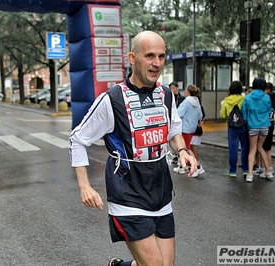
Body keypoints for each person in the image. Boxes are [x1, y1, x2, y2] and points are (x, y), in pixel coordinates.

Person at [69, 31, 198, 266]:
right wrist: (85, 187)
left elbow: (173, 132)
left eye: (161, 56)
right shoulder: (112, 100)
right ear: (132, 57)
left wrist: (182, 151)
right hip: (127, 193)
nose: (156, 63)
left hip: (160, 191)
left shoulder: (166, 96)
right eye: (149, 56)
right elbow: (77, 139)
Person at [242, 78, 272, 182]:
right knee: (261, 147)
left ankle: (250, 174)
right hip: (264, 125)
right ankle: (268, 171)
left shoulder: (248, 97)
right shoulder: (267, 98)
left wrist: (247, 121)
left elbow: (244, 112)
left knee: (252, 149)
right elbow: (269, 111)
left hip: (252, 125)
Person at [219, 81, 249, 178]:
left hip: (232, 127)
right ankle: (245, 169)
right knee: (245, 148)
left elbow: (222, 114)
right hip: (243, 126)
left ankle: (232, 171)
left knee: (233, 149)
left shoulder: (226, 100)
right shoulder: (244, 99)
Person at [173, 84, 203, 175]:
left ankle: (197, 166)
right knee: (186, 147)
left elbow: (178, 113)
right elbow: (200, 115)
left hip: (184, 127)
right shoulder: (197, 102)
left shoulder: (186, 102)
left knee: (186, 148)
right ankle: (182, 166)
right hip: (192, 128)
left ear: (188, 92)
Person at [190, 97, 206, 177]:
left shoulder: (196, 106)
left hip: (194, 129)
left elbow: (202, 117)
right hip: (194, 129)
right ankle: (194, 165)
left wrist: (199, 123)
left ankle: (197, 166)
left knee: (193, 147)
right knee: (191, 147)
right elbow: (202, 116)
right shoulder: (198, 105)